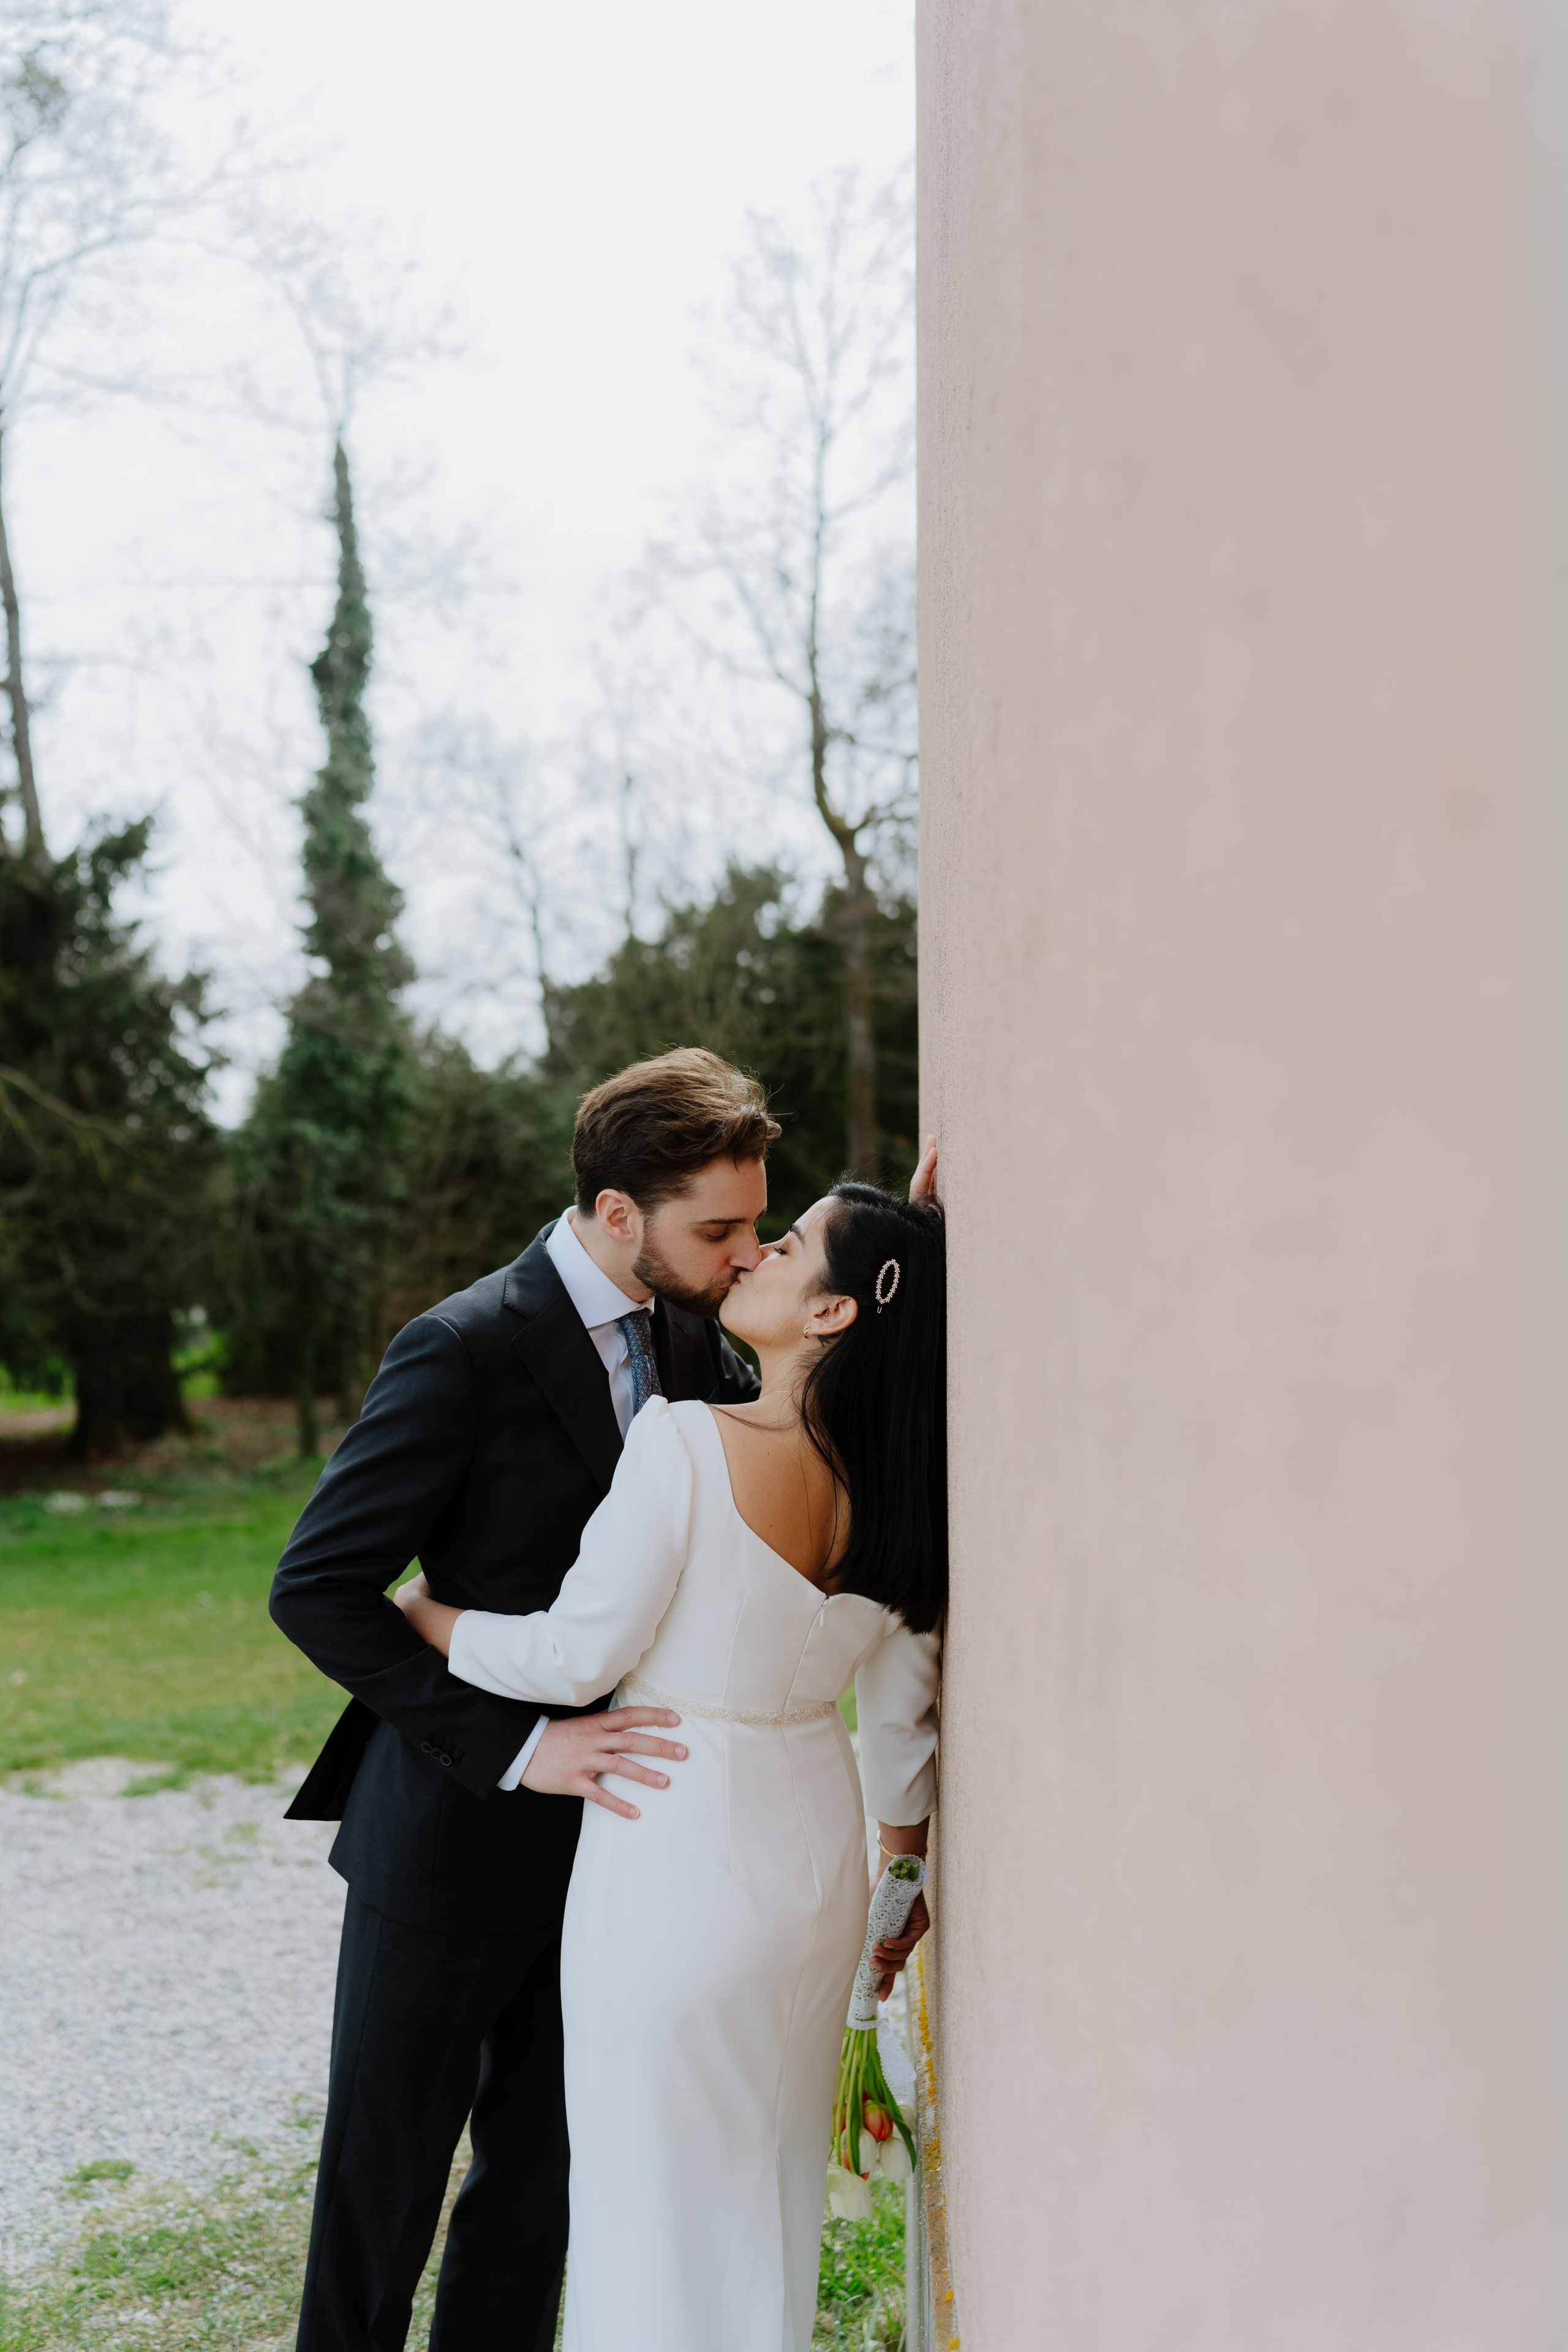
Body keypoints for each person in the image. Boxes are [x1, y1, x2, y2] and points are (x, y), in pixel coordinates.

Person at [392, 1175, 946, 2352]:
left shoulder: (684, 1441)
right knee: (765, 2194)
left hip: (673, 1851)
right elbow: (903, 1730)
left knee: (647, 2211)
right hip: (818, 1878)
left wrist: (432, 1618)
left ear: (837, 1315)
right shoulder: (909, 1493)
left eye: (788, 1247)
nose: (752, 1257)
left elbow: (571, 1652)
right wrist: (899, 1884)